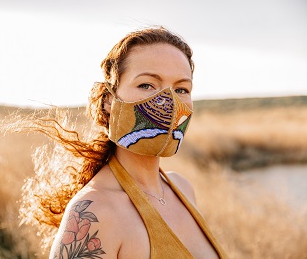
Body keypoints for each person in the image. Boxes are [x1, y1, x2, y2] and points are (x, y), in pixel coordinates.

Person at [23, 27, 228, 258]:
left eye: (181, 89)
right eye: (147, 85)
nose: (168, 102)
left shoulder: (182, 189)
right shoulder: (95, 211)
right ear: (110, 99)